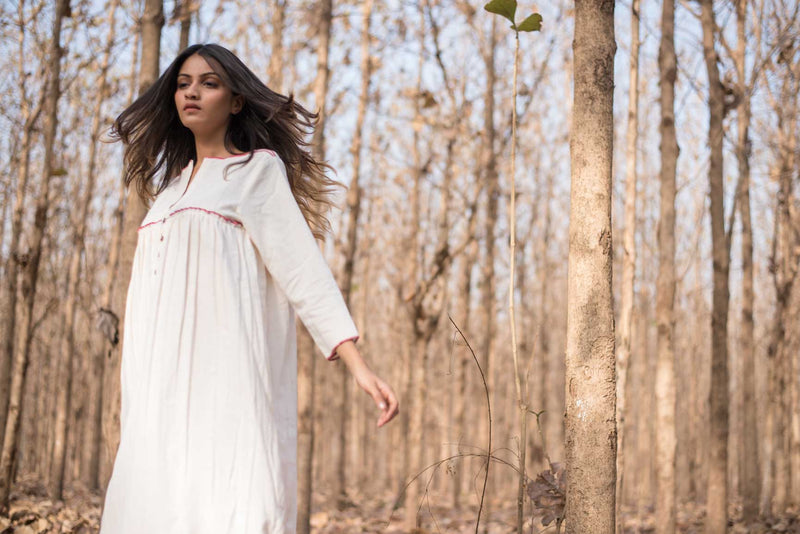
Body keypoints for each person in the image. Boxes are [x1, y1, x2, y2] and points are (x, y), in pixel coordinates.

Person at [98, 43, 399, 534]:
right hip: (156, 387)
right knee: (154, 499)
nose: (192, 92)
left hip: (224, 378)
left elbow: (302, 269)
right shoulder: (169, 192)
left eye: (209, 83)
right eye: (183, 83)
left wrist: (357, 364)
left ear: (236, 101)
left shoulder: (254, 171)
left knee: (224, 497)